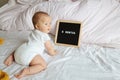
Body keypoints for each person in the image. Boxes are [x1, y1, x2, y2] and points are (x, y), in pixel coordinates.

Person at [4, 11, 57, 78]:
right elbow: (49, 49)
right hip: (28, 56)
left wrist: (14, 55)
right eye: (46, 24)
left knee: (24, 45)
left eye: (50, 23)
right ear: (37, 26)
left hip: (19, 53)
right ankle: (27, 71)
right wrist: (54, 52)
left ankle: (12, 56)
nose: (49, 26)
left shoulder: (34, 32)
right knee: (43, 65)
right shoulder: (44, 36)